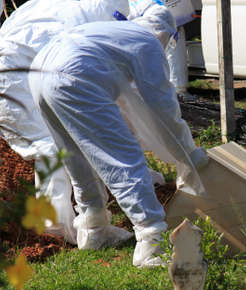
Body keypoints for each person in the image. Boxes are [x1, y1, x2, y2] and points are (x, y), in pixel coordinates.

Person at [29, 15, 208, 267]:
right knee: (122, 158)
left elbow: (124, 98)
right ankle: (151, 242)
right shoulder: (147, 42)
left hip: (39, 72)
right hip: (73, 71)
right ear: (166, 34)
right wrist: (190, 154)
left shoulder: (115, 33)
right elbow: (163, 106)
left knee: (75, 157)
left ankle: (94, 229)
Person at [0, 0, 131, 245]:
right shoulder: (89, 25)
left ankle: (67, 223)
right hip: (15, 81)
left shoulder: (56, 7)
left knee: (56, 144)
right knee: (52, 147)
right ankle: (58, 228)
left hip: (21, 74)